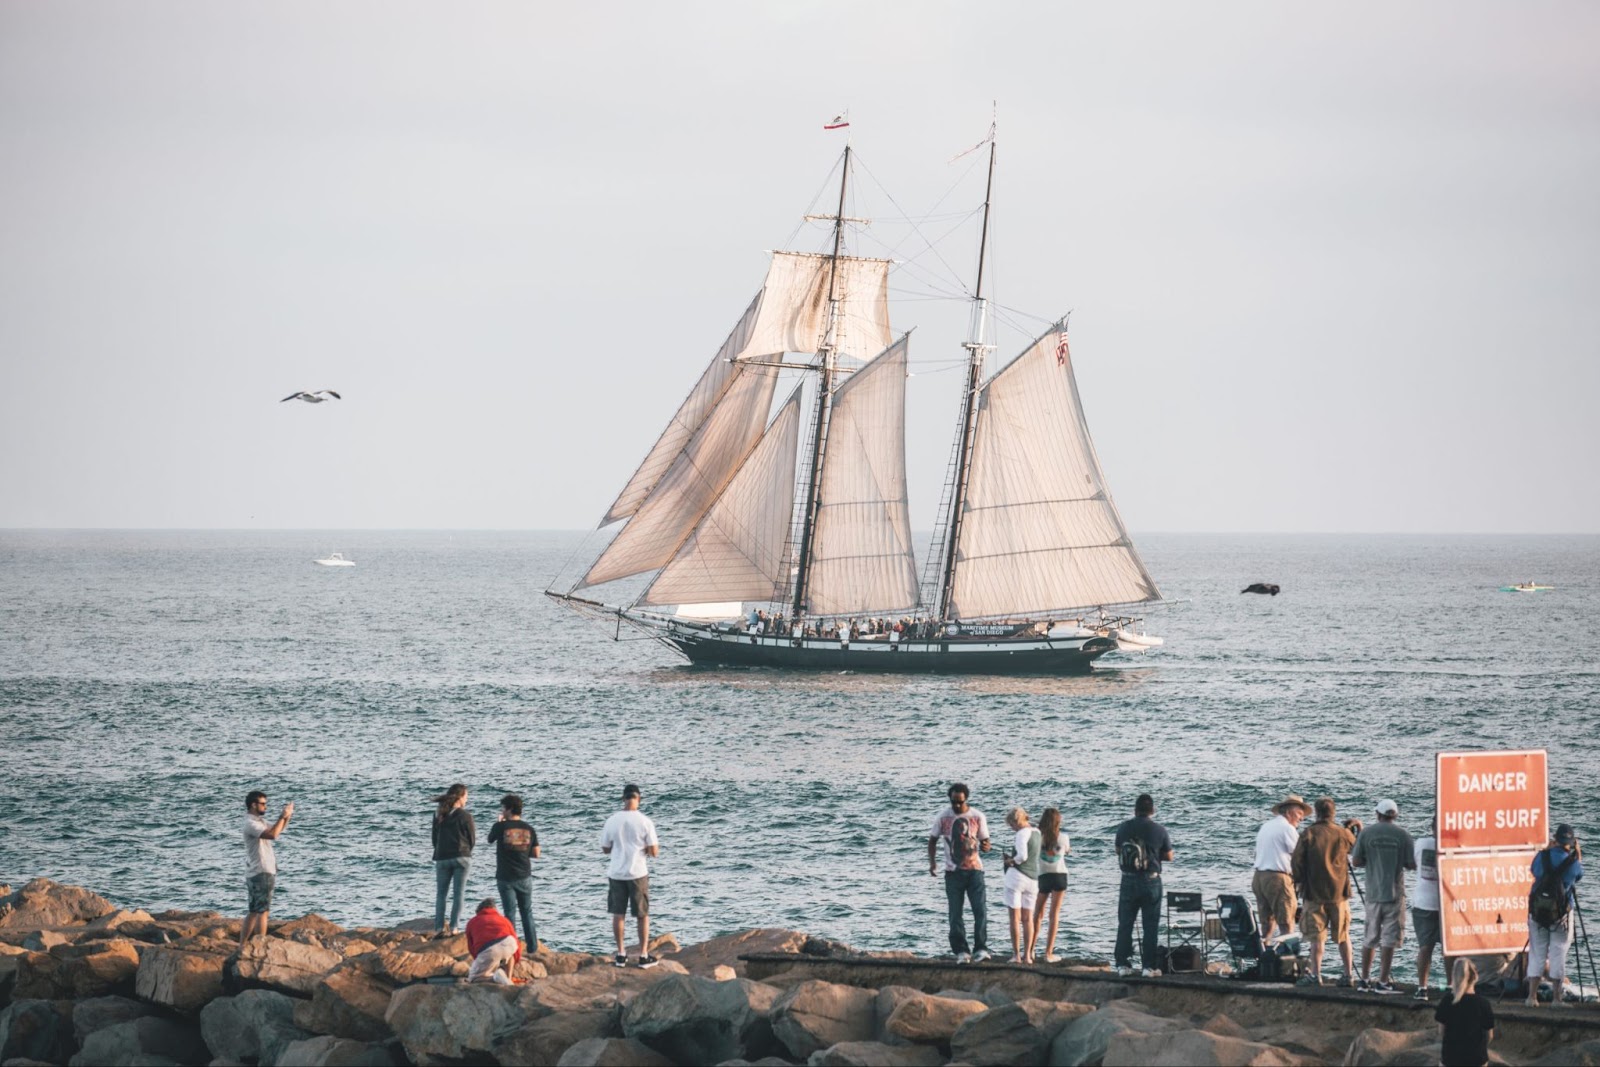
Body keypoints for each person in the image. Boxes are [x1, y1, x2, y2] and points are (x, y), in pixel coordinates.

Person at [1291, 796, 1358, 987]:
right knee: (1343, 936)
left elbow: (1296, 863)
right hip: (1339, 894)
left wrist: (1299, 882)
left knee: (1317, 938)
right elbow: (1358, 851)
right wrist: (1356, 829)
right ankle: (1348, 975)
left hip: (1314, 893)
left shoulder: (1309, 834)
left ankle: (1316, 974)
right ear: (1333, 813)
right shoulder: (1342, 833)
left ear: (1317, 812)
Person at [1351, 798, 1416, 992]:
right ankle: (1383, 981)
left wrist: (1370, 860)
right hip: (1395, 894)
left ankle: (1364, 979)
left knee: (1370, 937)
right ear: (1394, 816)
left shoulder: (1367, 833)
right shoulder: (1403, 835)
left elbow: (1355, 861)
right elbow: (1411, 864)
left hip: (1373, 893)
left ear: (1377, 814)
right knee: (1389, 939)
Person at [928, 782, 992, 964]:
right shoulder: (943, 817)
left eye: (960, 802)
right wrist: (932, 863)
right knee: (955, 913)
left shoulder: (977, 816)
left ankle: (981, 948)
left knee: (980, 910)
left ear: (966, 800)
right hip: (952, 873)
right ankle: (961, 951)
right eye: (953, 802)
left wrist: (987, 847)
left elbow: (985, 842)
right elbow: (932, 840)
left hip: (975, 872)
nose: (956, 806)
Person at [1112, 793, 1175, 977]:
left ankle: (1122, 965)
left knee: (1125, 923)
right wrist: (1154, 856)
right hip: (1151, 881)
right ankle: (1148, 967)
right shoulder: (1159, 830)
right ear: (1152, 810)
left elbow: (1117, 850)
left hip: (1128, 879)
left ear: (1135, 810)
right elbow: (1170, 856)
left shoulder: (1124, 828)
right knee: (1150, 924)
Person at [600, 783, 660, 968]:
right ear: (638, 799)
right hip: (638, 873)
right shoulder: (645, 821)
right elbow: (654, 851)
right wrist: (644, 849)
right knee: (642, 914)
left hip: (617, 872)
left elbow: (605, 848)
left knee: (618, 914)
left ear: (623, 798)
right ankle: (643, 955)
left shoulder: (612, 820)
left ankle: (620, 955)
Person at [1526, 823, 1584, 1007]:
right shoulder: (1573, 863)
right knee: (1558, 952)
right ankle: (1557, 999)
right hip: (1561, 916)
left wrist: (1545, 850)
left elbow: (1533, 871)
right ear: (1572, 842)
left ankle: (1531, 997)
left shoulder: (1541, 857)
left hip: (1537, 912)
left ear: (1555, 839)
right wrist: (1578, 857)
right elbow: (1578, 877)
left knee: (1536, 953)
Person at [1253, 795, 1311, 944]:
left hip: (1259, 877)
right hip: (1278, 879)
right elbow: (1300, 855)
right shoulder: (1287, 829)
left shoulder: (1267, 826)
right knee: (1287, 923)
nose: (1301, 818)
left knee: (1267, 923)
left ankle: (1264, 957)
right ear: (1290, 812)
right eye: (1299, 813)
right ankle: (1288, 961)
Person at [487, 793, 540, 949]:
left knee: (509, 914)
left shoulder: (500, 827)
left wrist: (499, 822)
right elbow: (537, 853)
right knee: (527, 913)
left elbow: (490, 839)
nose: (502, 811)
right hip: (524, 875)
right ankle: (533, 948)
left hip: (505, 876)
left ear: (509, 809)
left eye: (503, 808)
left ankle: (512, 948)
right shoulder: (529, 828)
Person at [241, 791, 293, 948]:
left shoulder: (258, 821)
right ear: (253, 805)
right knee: (263, 912)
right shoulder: (251, 823)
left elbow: (278, 830)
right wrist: (281, 816)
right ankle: (260, 946)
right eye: (263, 803)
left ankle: (242, 946)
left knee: (254, 911)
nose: (266, 806)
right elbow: (272, 835)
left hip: (257, 870)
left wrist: (286, 816)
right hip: (262, 871)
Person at [1435, 958, 1496, 1067]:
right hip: (1477, 1059)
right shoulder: (1483, 1003)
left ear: (1454, 977)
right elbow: (1489, 1036)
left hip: (1451, 1058)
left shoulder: (1447, 1001)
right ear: (1475, 977)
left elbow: (1441, 1032)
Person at [432, 784, 475, 936]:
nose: (467, 799)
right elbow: (471, 839)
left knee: (441, 894)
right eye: (466, 796)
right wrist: (466, 851)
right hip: (461, 857)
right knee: (459, 894)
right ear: (460, 797)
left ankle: (438, 929)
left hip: (442, 857)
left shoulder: (439, 814)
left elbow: (434, 838)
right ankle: (454, 927)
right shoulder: (465, 816)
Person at [1001, 806, 1042, 963]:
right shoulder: (1038, 833)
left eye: (1011, 825)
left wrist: (1010, 861)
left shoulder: (1021, 834)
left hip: (1017, 877)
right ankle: (1028, 956)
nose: (1012, 828)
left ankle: (1016, 955)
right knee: (1028, 919)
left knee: (1014, 918)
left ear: (1015, 822)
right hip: (1033, 879)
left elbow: (1022, 856)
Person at [1034, 807, 1071, 964]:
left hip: (1043, 876)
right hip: (1060, 876)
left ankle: (1030, 950)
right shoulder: (1063, 837)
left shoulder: (1037, 837)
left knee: (1037, 914)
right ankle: (1048, 953)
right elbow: (1067, 851)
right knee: (1053, 915)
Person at [1412, 817, 1442, 1001]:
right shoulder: (1453, 845)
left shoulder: (1422, 843)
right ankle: (1453, 987)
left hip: (1423, 901)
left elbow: (1413, 864)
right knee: (1449, 950)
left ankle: (1422, 987)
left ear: (1431, 828)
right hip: (1446, 903)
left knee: (1425, 947)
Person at [464, 898, 521, 985]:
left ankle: (495, 978)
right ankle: (509, 979)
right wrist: (517, 959)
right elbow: (516, 942)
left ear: (479, 910)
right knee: (511, 952)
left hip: (489, 949)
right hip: (509, 942)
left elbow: (471, 948)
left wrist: (479, 961)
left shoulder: (472, 922)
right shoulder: (504, 920)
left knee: (473, 979)